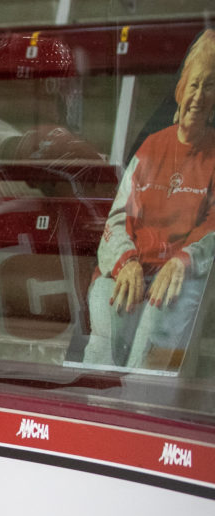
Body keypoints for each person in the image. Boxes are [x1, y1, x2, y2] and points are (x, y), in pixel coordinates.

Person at [81, 29, 215, 371]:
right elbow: (116, 219)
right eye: (195, 83)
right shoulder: (151, 147)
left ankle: (140, 413)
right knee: (110, 314)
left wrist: (183, 260)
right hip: (130, 269)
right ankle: (94, 412)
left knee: (156, 325)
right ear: (181, 87)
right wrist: (126, 262)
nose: (200, 96)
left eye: (211, 85)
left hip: (179, 277)